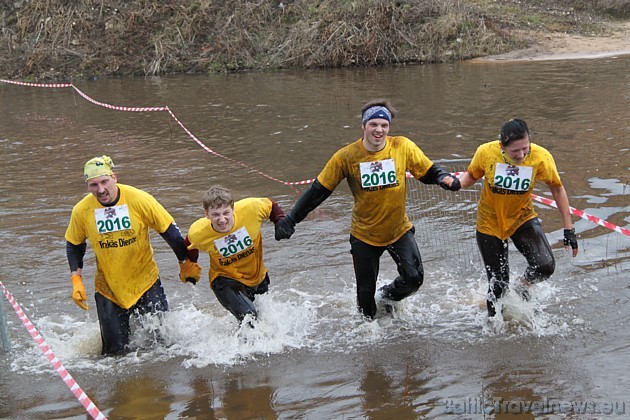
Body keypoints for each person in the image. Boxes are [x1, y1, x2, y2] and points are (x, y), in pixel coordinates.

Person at [275, 98, 461, 319]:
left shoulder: (402, 146)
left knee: (414, 279)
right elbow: (318, 191)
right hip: (364, 235)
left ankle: (386, 298)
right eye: (373, 124)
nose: (378, 130)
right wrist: (291, 220)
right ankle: (368, 337)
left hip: (398, 230)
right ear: (363, 126)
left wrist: (443, 178)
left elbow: (428, 171)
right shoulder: (346, 156)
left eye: (384, 125)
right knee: (365, 300)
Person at [65, 155, 201, 355]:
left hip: (145, 281)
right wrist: (76, 279)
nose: (101, 190)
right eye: (93, 185)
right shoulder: (82, 210)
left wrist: (185, 263)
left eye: (104, 182)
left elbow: (169, 231)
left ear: (114, 177)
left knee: (163, 347)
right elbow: (74, 244)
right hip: (108, 288)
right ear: (87, 186)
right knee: (114, 355)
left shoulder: (139, 199)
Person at [458, 118, 578, 317]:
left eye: (526, 149)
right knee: (498, 286)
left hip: (522, 217)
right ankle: (493, 330)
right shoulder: (486, 152)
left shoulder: (541, 156)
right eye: (515, 151)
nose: (522, 155)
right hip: (490, 222)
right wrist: (457, 184)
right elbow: (471, 175)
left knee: (545, 265)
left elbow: (557, 188)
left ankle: (522, 286)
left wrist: (569, 228)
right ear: (501, 146)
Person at [183, 185, 288, 324]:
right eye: (215, 214)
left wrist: (280, 221)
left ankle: (239, 341)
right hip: (224, 279)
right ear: (206, 214)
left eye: (226, 213)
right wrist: (190, 267)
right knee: (249, 317)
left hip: (257, 275)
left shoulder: (251, 208)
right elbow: (189, 246)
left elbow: (271, 205)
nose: (222, 220)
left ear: (233, 209)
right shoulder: (198, 232)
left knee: (263, 319)